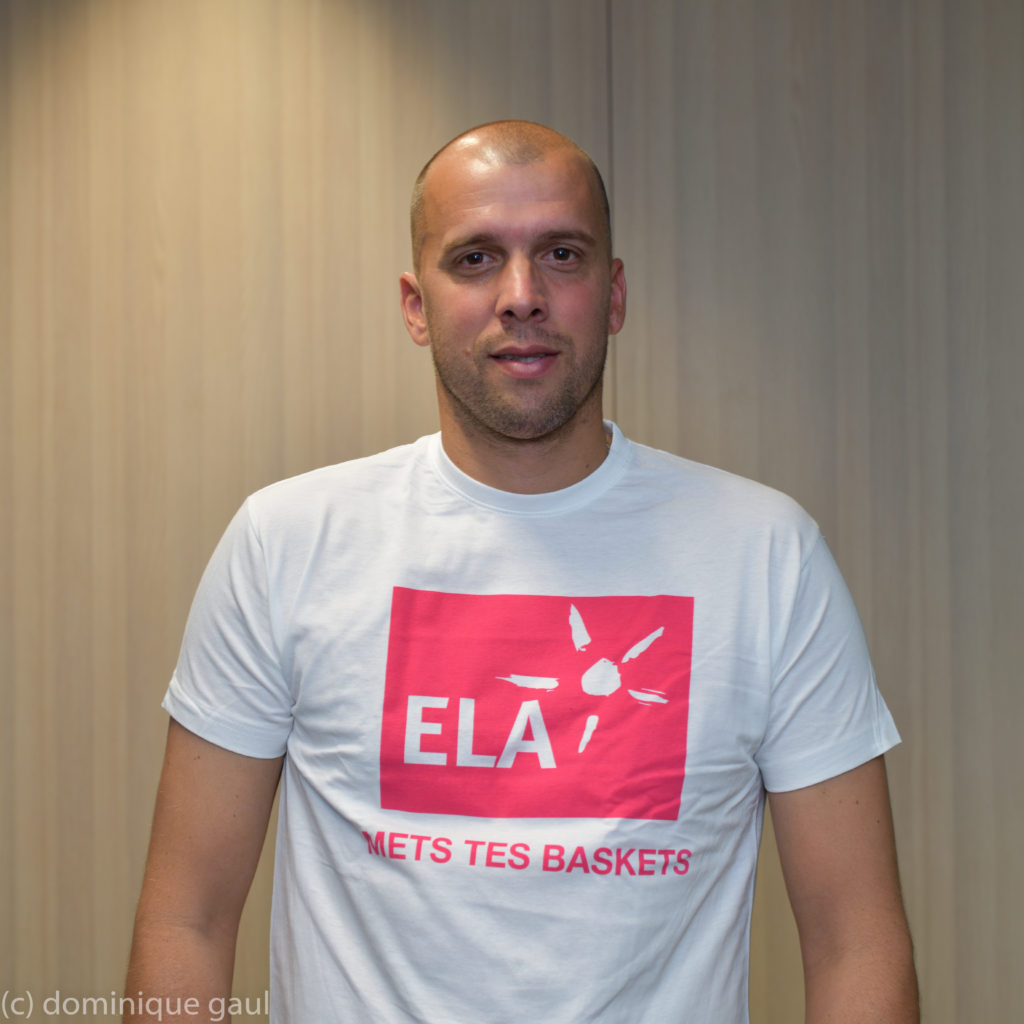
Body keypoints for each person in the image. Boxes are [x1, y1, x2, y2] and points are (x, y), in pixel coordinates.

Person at [124, 120, 918, 1023]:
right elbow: (188, 920)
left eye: (561, 255)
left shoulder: (765, 555)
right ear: (415, 305)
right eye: (474, 259)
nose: (521, 296)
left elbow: (856, 941)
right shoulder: (287, 542)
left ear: (613, 295)